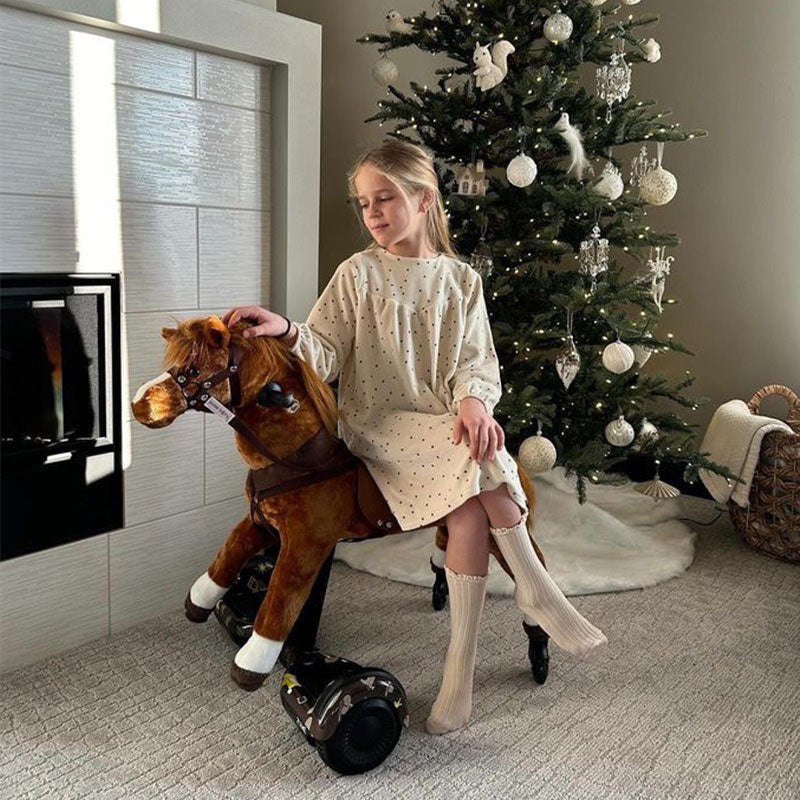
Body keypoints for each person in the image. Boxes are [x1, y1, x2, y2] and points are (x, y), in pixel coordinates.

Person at [221, 139, 607, 735]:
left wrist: (475, 402)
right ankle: (536, 589)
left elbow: (475, 361)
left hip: (440, 421)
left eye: (385, 199)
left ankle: (461, 672)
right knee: (478, 454)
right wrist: (288, 329)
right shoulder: (357, 274)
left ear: (424, 199)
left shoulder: (461, 280)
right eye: (364, 203)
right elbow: (323, 353)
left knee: (475, 480)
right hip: (378, 422)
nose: (372, 213)